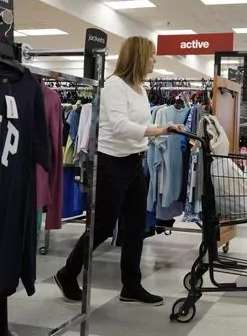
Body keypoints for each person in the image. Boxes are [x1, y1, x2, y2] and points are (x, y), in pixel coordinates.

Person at [54, 36, 184, 306]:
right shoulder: (114, 86)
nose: (155, 60)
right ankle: (68, 273)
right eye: (152, 55)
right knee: (101, 226)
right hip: (111, 164)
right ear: (138, 56)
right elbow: (119, 126)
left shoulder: (141, 89)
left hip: (135, 162)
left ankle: (131, 286)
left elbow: (138, 127)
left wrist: (162, 133)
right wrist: (158, 129)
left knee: (136, 226)